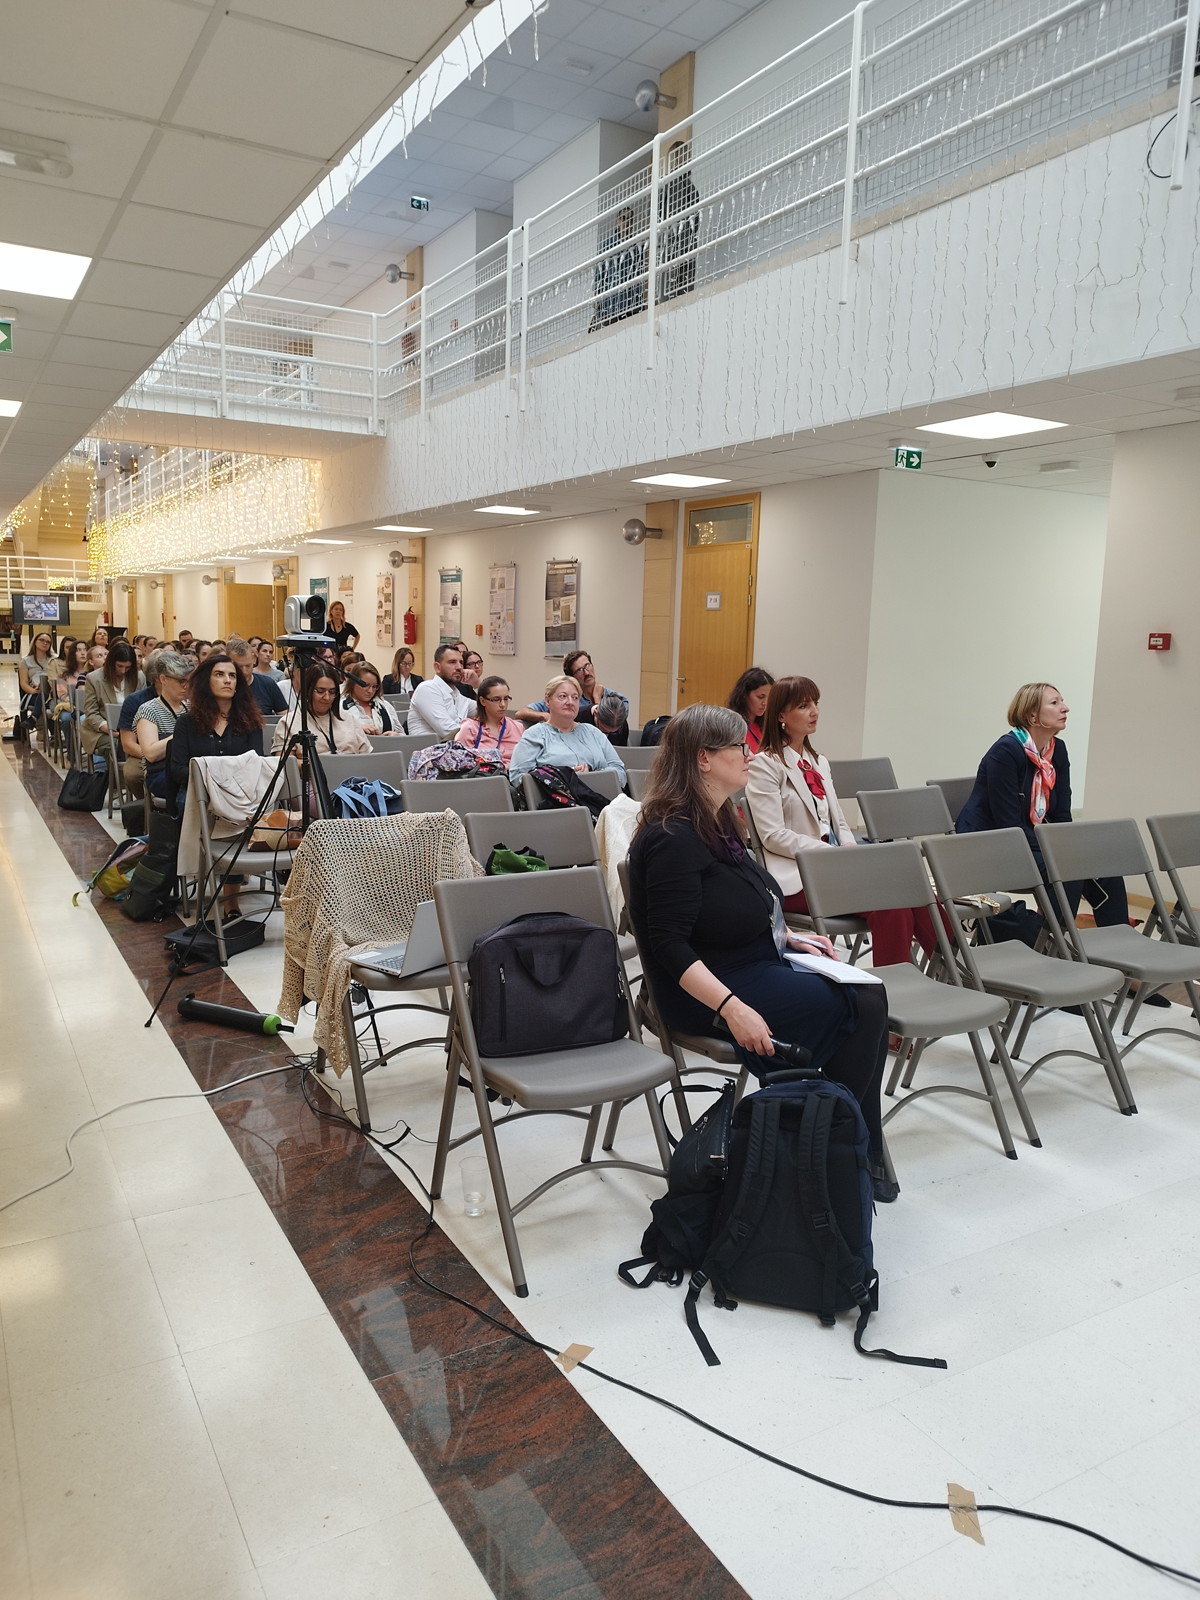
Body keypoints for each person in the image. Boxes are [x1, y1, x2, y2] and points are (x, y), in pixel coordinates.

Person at [627, 703, 895, 1201]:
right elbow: (668, 945)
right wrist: (732, 1009)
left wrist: (787, 938)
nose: (749, 753)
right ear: (704, 759)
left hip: (749, 961)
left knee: (869, 994)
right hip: (708, 989)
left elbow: (741, 900)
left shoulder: (717, 819)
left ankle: (845, 1142)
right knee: (856, 1007)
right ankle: (845, 1147)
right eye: (738, 746)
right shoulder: (672, 836)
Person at [745, 677, 942, 970]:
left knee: (910, 886)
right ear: (781, 715)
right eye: (803, 706)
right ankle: (904, 981)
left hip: (836, 869)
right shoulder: (765, 764)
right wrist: (831, 854)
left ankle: (950, 966)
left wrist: (848, 847)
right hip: (798, 877)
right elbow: (773, 835)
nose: (814, 711)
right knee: (891, 899)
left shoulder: (818, 762)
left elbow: (839, 822)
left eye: (815, 703)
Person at [956, 681, 1136, 943]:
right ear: (1032, 716)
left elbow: (1061, 816)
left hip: (1028, 840)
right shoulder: (1005, 752)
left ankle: (1120, 947)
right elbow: (1009, 826)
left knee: (1104, 867)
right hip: (989, 845)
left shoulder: (1056, 750)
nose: (1065, 708)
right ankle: (1054, 947)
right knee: (1067, 870)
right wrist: (1060, 851)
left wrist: (1069, 847)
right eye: (1055, 703)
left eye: (1062, 701)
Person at [167, 655, 263, 818]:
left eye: (232, 676)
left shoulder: (250, 721)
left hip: (240, 792)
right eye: (219, 674)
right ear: (206, 681)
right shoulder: (186, 722)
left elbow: (256, 764)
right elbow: (178, 770)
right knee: (188, 804)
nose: (227, 680)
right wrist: (212, 780)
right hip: (198, 791)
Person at [508, 674, 628, 782]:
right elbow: (518, 778)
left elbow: (620, 772)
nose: (570, 702)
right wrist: (564, 776)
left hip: (601, 795)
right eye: (563, 696)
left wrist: (592, 776)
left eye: (575, 697)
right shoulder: (534, 735)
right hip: (558, 797)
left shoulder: (593, 733)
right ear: (548, 701)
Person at [272, 664, 372, 756]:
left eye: (332, 692)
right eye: (320, 691)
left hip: (352, 768)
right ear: (307, 691)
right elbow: (287, 764)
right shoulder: (288, 722)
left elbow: (367, 758)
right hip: (311, 769)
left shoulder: (349, 719)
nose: (327, 697)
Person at [134, 649, 192, 799]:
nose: (186, 686)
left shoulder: (192, 706)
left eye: (189, 681)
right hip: (161, 773)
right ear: (163, 679)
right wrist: (184, 735)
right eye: (181, 681)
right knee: (195, 789)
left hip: (188, 768)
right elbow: (151, 754)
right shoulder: (148, 710)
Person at [81, 640, 144, 761]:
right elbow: (91, 712)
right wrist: (110, 729)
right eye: (119, 666)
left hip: (132, 730)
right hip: (101, 731)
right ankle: (121, 772)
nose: (123, 671)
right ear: (111, 663)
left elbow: (145, 707)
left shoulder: (139, 677)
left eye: (128, 667)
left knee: (138, 743)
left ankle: (132, 771)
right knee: (121, 744)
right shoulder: (94, 678)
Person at [659, 139, 700, 301]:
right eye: (682, 155)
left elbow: (696, 216)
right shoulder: (666, 185)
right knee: (670, 282)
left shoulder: (690, 187)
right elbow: (658, 214)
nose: (685, 158)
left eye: (686, 154)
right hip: (671, 241)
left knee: (685, 282)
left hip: (686, 241)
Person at [592, 205, 646, 329]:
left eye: (630, 219)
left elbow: (640, 273)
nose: (626, 222)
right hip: (611, 304)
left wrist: (642, 301)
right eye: (623, 218)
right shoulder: (608, 245)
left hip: (632, 303)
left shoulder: (637, 246)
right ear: (617, 222)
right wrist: (597, 301)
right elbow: (599, 274)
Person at [406, 644, 474, 738]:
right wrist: (480, 734)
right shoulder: (427, 689)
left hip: (454, 745)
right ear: (437, 667)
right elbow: (448, 731)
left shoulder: (456, 694)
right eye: (452, 662)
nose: (459, 667)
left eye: (461, 662)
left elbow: (487, 708)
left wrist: (476, 684)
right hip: (428, 747)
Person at [455, 675, 523, 767]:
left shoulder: (518, 728)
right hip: (482, 775)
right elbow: (459, 761)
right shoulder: (470, 728)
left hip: (514, 774)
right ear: (483, 701)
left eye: (506, 699)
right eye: (496, 699)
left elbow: (527, 760)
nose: (503, 704)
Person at [226, 636, 287, 717]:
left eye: (248, 666)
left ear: (253, 659)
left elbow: (286, 716)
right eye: (238, 667)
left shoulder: (268, 684)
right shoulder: (222, 687)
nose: (244, 672)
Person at [340, 662, 402, 733]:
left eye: (374, 686)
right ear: (353, 683)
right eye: (365, 685)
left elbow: (402, 735)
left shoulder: (386, 706)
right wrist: (357, 729)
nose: (370, 691)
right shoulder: (340, 707)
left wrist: (395, 735)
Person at [728, 666, 775, 754]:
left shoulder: (766, 726)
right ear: (744, 695)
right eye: (760, 697)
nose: (765, 703)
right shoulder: (732, 726)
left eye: (769, 698)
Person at [17, 629, 55, 716]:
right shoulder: (25, 661)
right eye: (42, 640)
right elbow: (23, 683)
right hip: (34, 692)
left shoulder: (54, 660)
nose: (45, 643)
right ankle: (37, 719)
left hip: (52, 692)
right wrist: (34, 691)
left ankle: (34, 718)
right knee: (41, 698)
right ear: (35, 642)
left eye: (48, 642)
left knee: (46, 698)